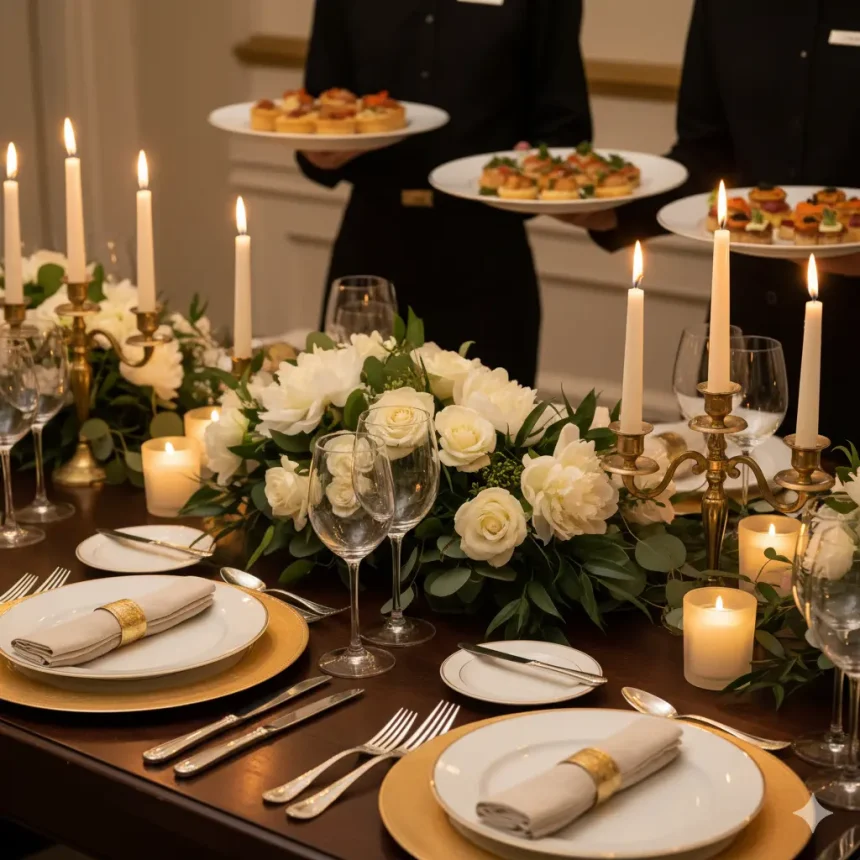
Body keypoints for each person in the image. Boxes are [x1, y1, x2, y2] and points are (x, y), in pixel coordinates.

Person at [567, 0, 860, 443]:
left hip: (854, 328)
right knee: (736, 489)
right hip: (744, 320)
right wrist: (613, 209)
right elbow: (706, 153)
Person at [297, 0, 591, 387]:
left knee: (496, 438)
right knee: (350, 433)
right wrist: (320, 152)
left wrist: (531, 167)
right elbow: (319, 107)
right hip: (371, 250)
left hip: (487, 257)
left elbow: (566, 126)